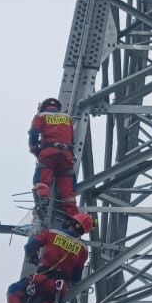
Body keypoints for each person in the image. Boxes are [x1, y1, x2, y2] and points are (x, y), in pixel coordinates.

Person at [29, 97, 93, 231]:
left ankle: (43, 201)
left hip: (49, 152)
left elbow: (34, 134)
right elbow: (72, 139)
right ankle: (73, 217)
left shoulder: (41, 116)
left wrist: (35, 150)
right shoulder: (67, 118)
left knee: (43, 178)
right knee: (68, 189)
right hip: (66, 155)